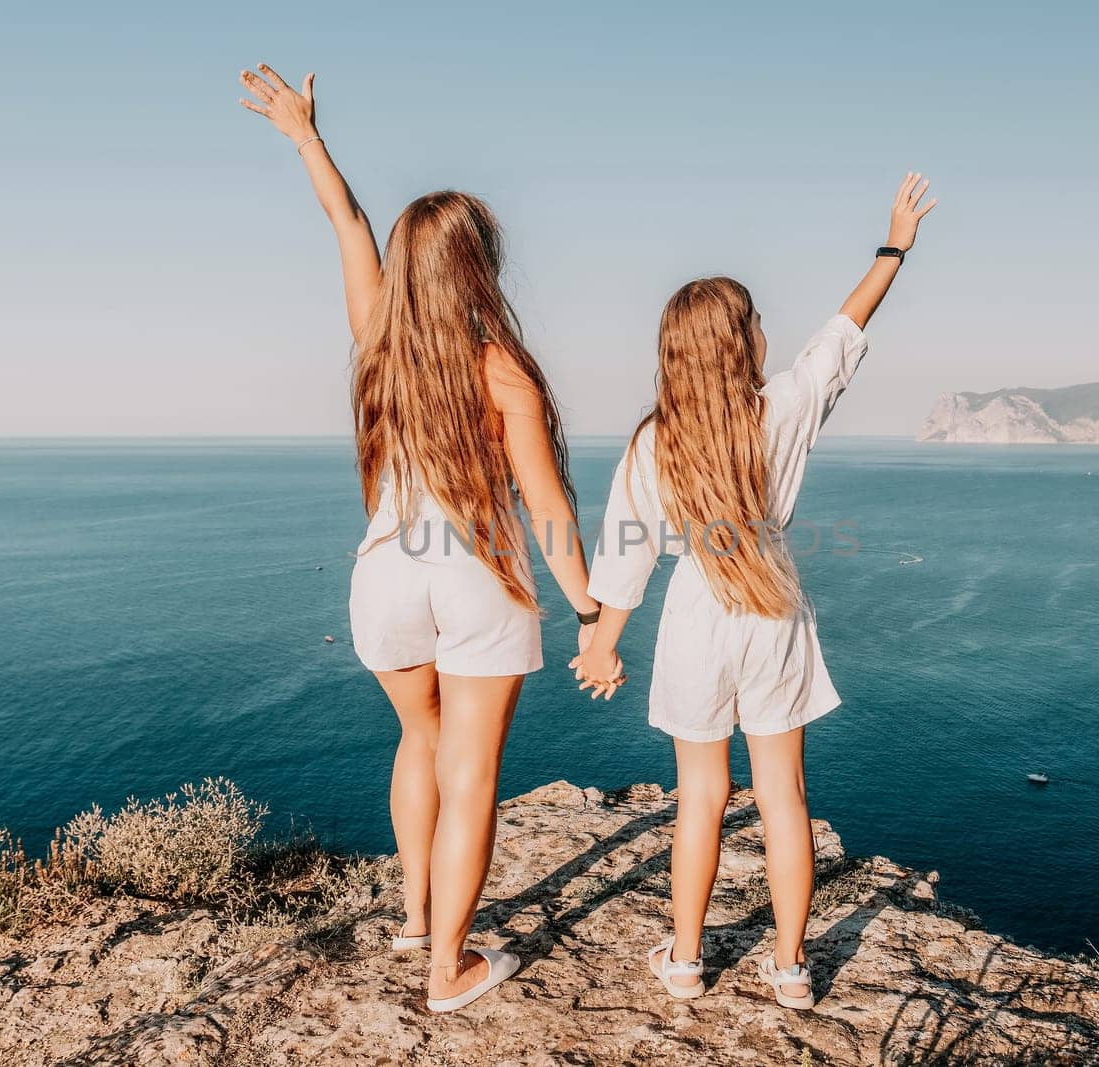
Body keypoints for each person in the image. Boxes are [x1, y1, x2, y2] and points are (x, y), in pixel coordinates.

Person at [240, 63, 617, 1012]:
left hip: (381, 577)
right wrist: (590, 609)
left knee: (420, 739)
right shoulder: (505, 377)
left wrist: (305, 137)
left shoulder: (378, 342)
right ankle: (449, 967)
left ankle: (412, 915)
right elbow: (549, 512)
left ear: (411, 265)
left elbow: (349, 228)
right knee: (471, 770)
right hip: (478, 579)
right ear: (478, 265)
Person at [572, 174, 937, 1009]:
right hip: (774, 609)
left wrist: (600, 644)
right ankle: (791, 966)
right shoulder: (786, 408)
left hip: (698, 615)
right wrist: (895, 247)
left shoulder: (654, 441)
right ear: (740, 345)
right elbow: (842, 332)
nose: (770, 333)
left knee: (701, 796)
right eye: (758, 323)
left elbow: (625, 551)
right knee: (785, 798)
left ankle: (688, 959)